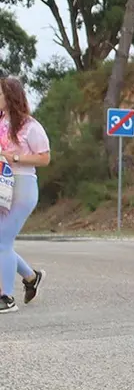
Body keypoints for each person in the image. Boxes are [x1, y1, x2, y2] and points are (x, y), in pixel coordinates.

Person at [0, 77, 50, 313]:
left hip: (23, 185)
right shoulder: (1, 122)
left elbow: (44, 157)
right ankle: (30, 277)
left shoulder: (30, 126)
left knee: (2, 240)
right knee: (2, 241)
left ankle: (6, 297)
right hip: (3, 184)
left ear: (10, 97)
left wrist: (15, 158)